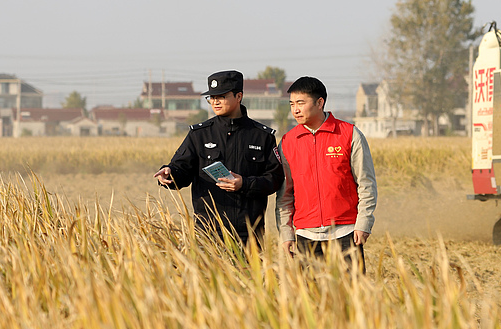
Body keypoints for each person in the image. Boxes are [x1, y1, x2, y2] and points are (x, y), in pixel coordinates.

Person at [154, 70, 284, 247]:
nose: (215, 101)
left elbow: (275, 179)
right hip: (208, 233)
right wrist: (169, 174)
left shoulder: (261, 136)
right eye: (211, 97)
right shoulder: (199, 134)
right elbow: (181, 171)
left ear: (239, 96)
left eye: (221, 96)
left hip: (249, 234)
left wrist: (244, 184)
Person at [276, 76, 377, 270]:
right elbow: (284, 194)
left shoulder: (349, 134)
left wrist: (363, 223)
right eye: (292, 104)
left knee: (352, 296)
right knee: (311, 297)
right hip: (306, 236)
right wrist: (286, 233)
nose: (295, 109)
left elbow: (366, 183)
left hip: (346, 233)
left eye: (301, 103)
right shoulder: (288, 142)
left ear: (319, 102)